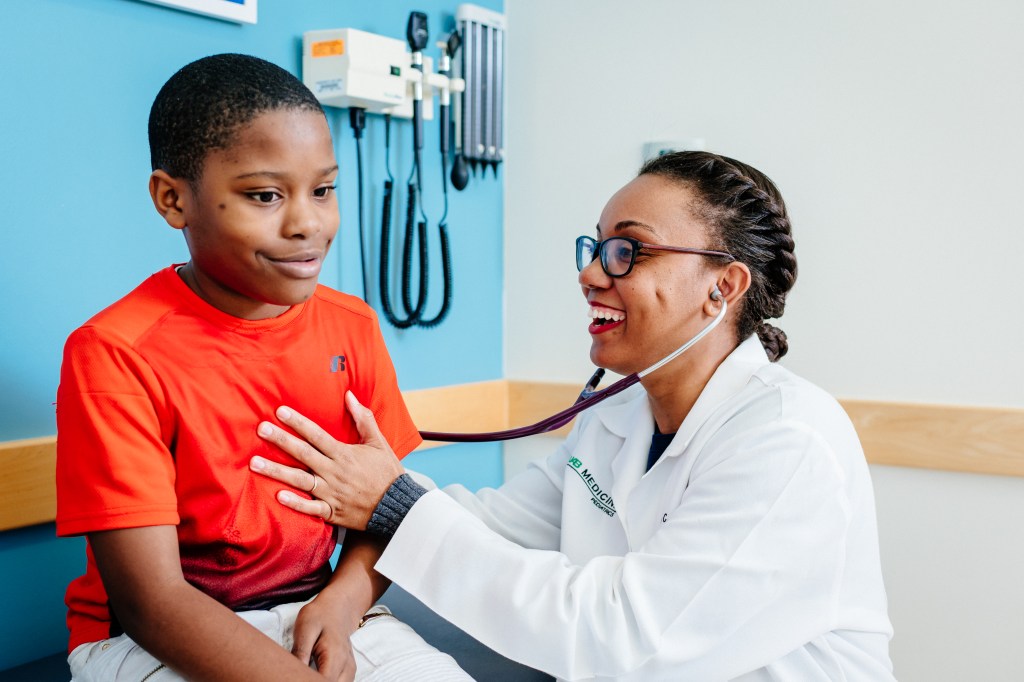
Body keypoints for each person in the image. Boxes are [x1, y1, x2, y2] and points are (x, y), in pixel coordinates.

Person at [251, 150, 897, 681]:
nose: (591, 273)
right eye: (596, 248)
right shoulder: (618, 416)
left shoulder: (789, 440)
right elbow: (490, 527)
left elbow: (622, 639)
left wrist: (391, 505)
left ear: (722, 289)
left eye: (628, 252)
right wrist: (342, 587)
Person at [55, 53, 471, 682]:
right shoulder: (116, 353)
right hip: (153, 637)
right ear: (173, 200)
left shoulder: (350, 326)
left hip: (317, 606)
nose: (308, 223)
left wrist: (342, 602)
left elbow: (387, 509)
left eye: (324, 190)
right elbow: (152, 604)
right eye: (266, 196)